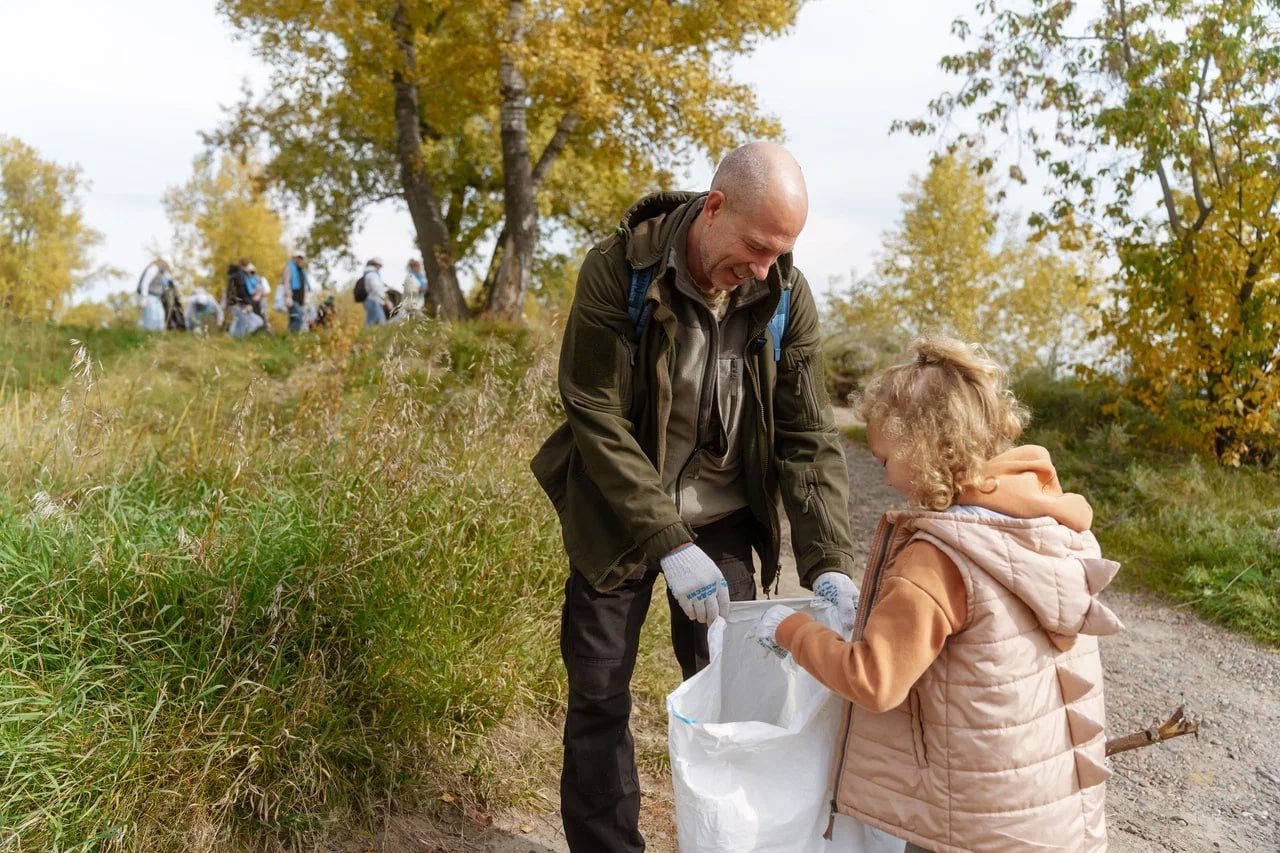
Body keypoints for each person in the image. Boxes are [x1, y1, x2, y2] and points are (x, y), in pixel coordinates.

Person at [530, 141, 860, 853]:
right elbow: (592, 407)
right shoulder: (619, 270)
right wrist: (667, 541)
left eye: (781, 251)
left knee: (731, 695)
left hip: (723, 522)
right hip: (619, 513)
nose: (765, 268)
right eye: (755, 246)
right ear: (714, 208)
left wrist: (828, 559)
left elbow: (808, 434)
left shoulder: (785, 296)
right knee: (597, 690)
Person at [750, 336, 1124, 853]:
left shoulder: (941, 554)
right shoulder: (1049, 530)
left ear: (923, 449)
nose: (880, 469)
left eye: (883, 456)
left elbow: (874, 679)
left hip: (970, 824)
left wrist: (789, 629)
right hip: (1045, 815)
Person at [280, 251, 311, 333]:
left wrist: (304, 299)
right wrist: (288, 297)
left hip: (300, 299)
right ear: (294, 258)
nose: (299, 260)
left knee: (294, 318)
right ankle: (292, 336)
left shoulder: (302, 271)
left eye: (301, 258)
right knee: (298, 317)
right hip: (292, 299)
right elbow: (286, 283)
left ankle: (288, 339)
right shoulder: (289, 269)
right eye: (298, 258)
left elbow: (303, 286)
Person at [360, 257, 389, 326]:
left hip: (372, 301)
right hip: (373, 301)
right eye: (380, 266)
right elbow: (376, 288)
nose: (380, 268)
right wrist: (385, 299)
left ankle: (367, 336)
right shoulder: (372, 274)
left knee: (372, 324)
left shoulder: (369, 274)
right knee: (380, 324)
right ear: (376, 264)